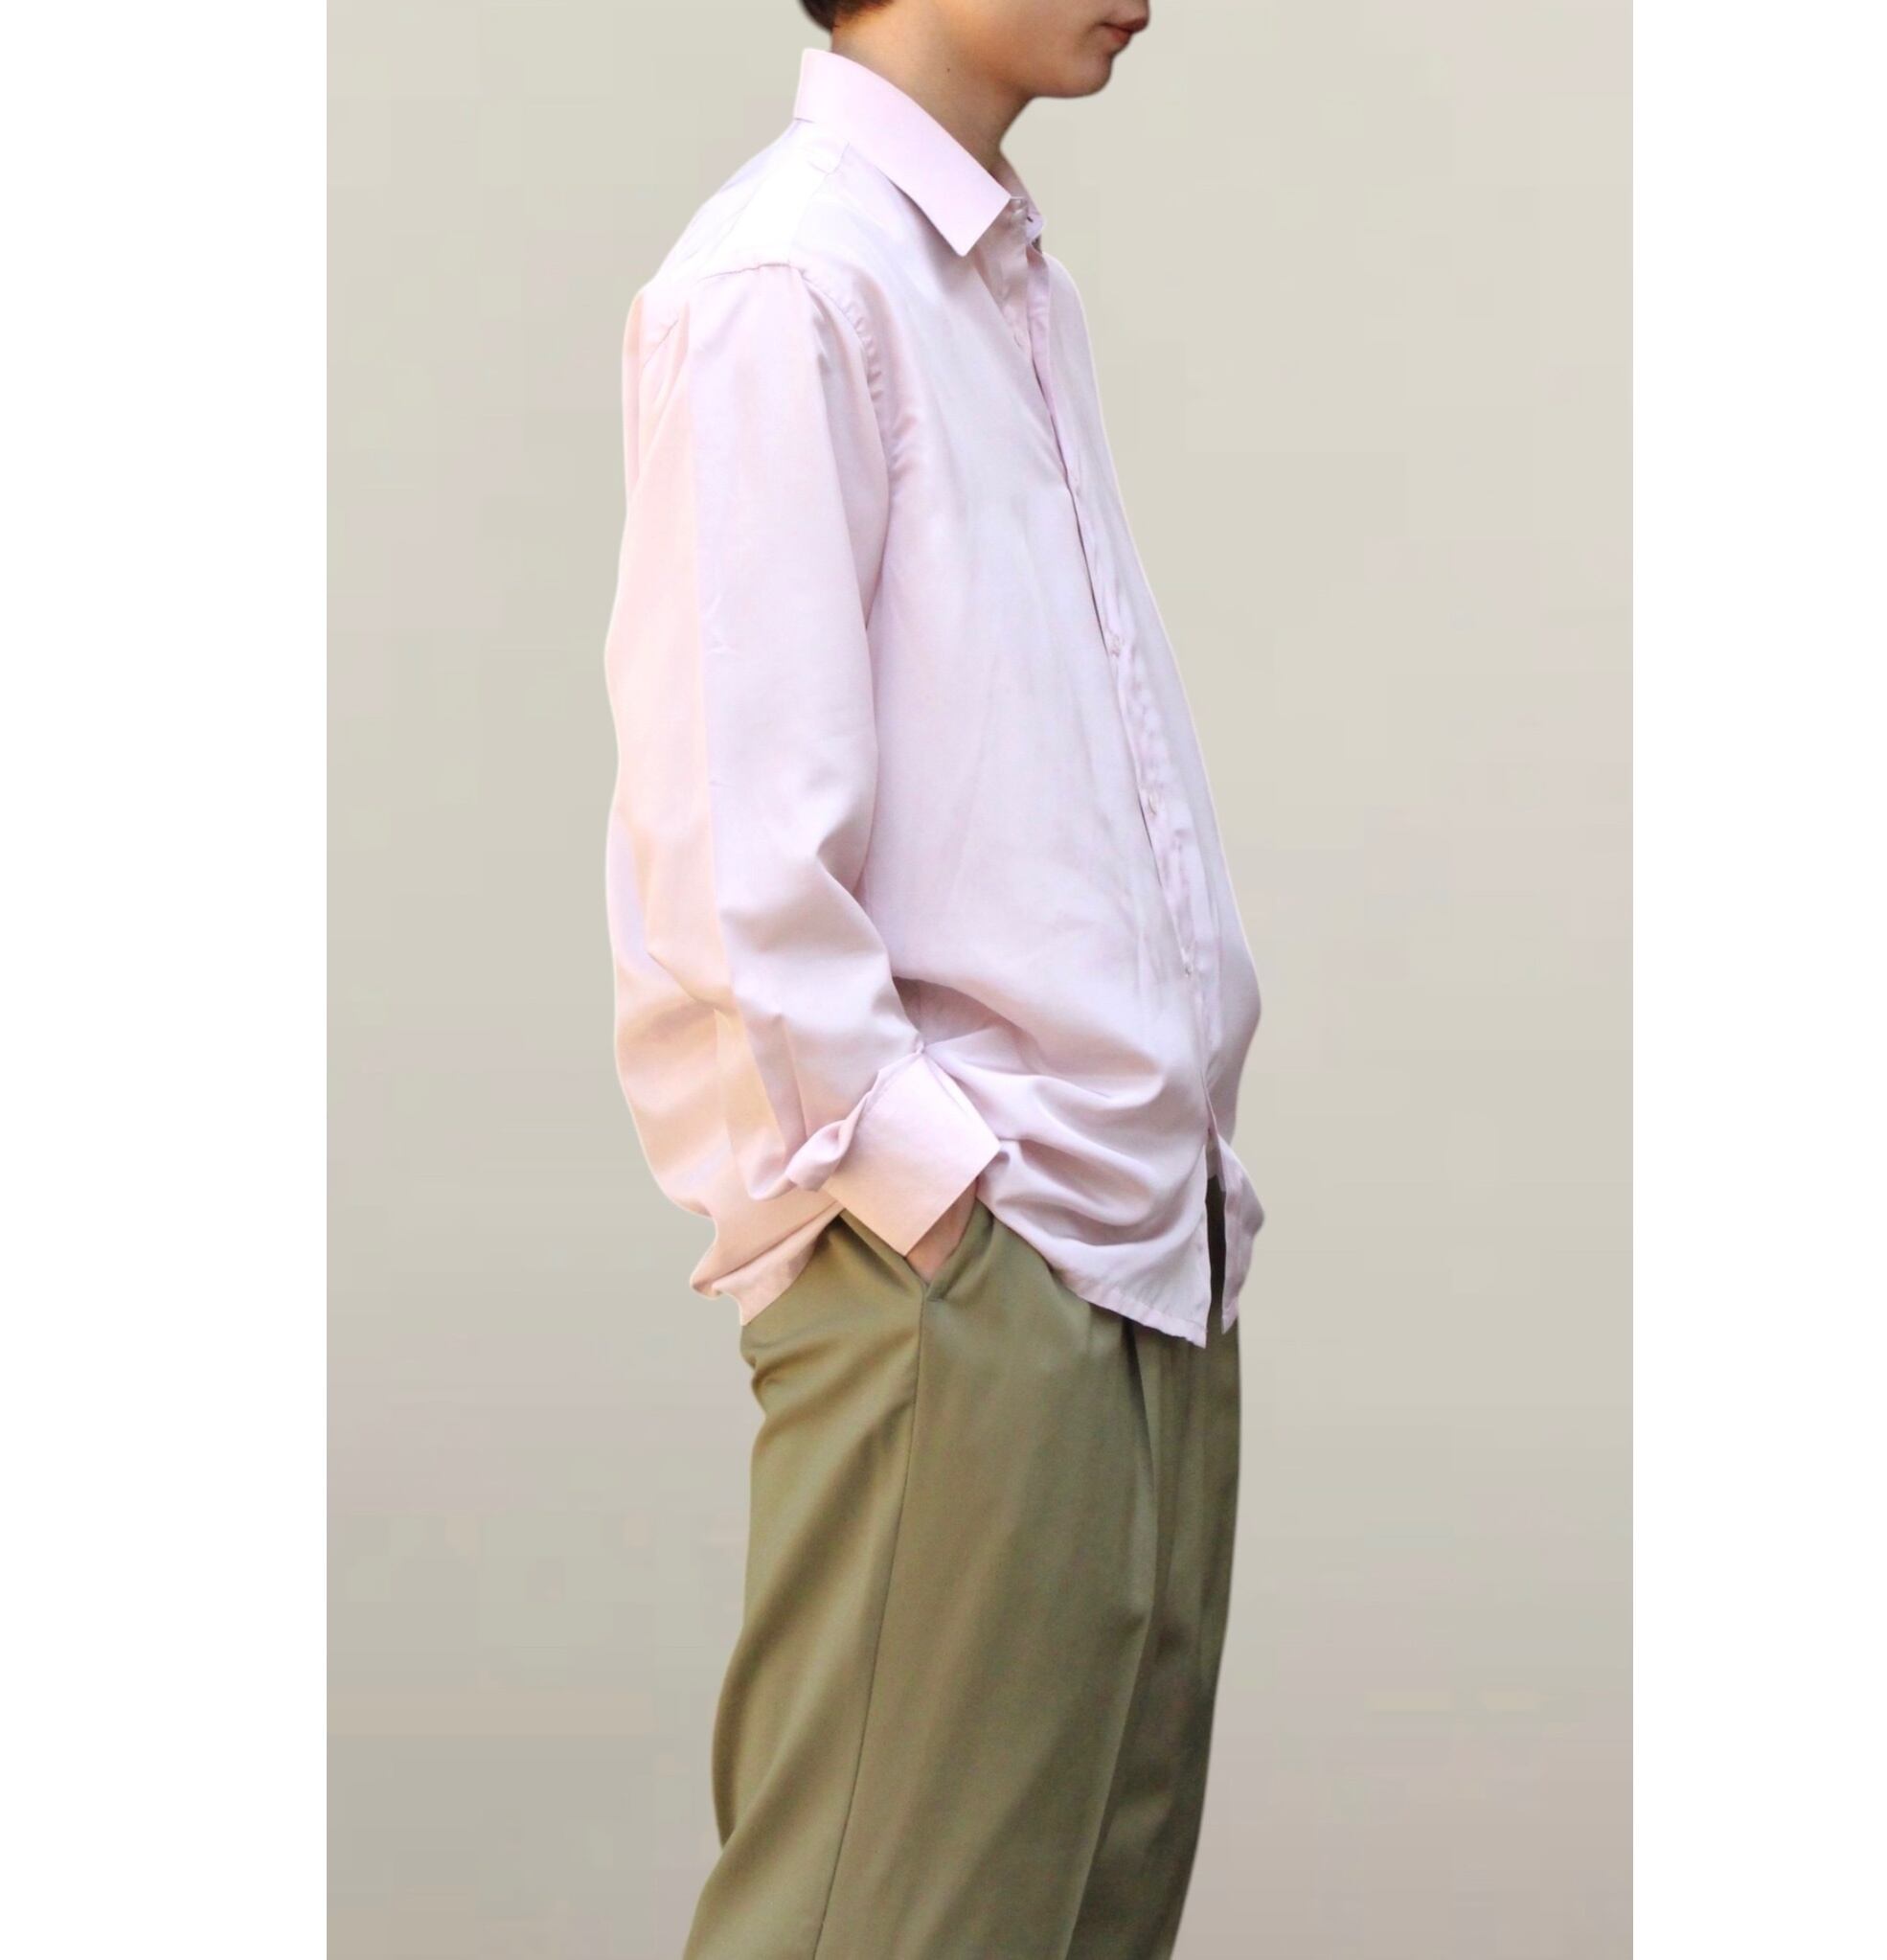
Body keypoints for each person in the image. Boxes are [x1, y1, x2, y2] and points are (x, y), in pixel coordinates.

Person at [601, 3, 1264, 1952]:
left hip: (1143, 1257)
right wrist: (940, 1223)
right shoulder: (785, 283)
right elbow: (732, 867)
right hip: (974, 1280)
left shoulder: (998, 282)